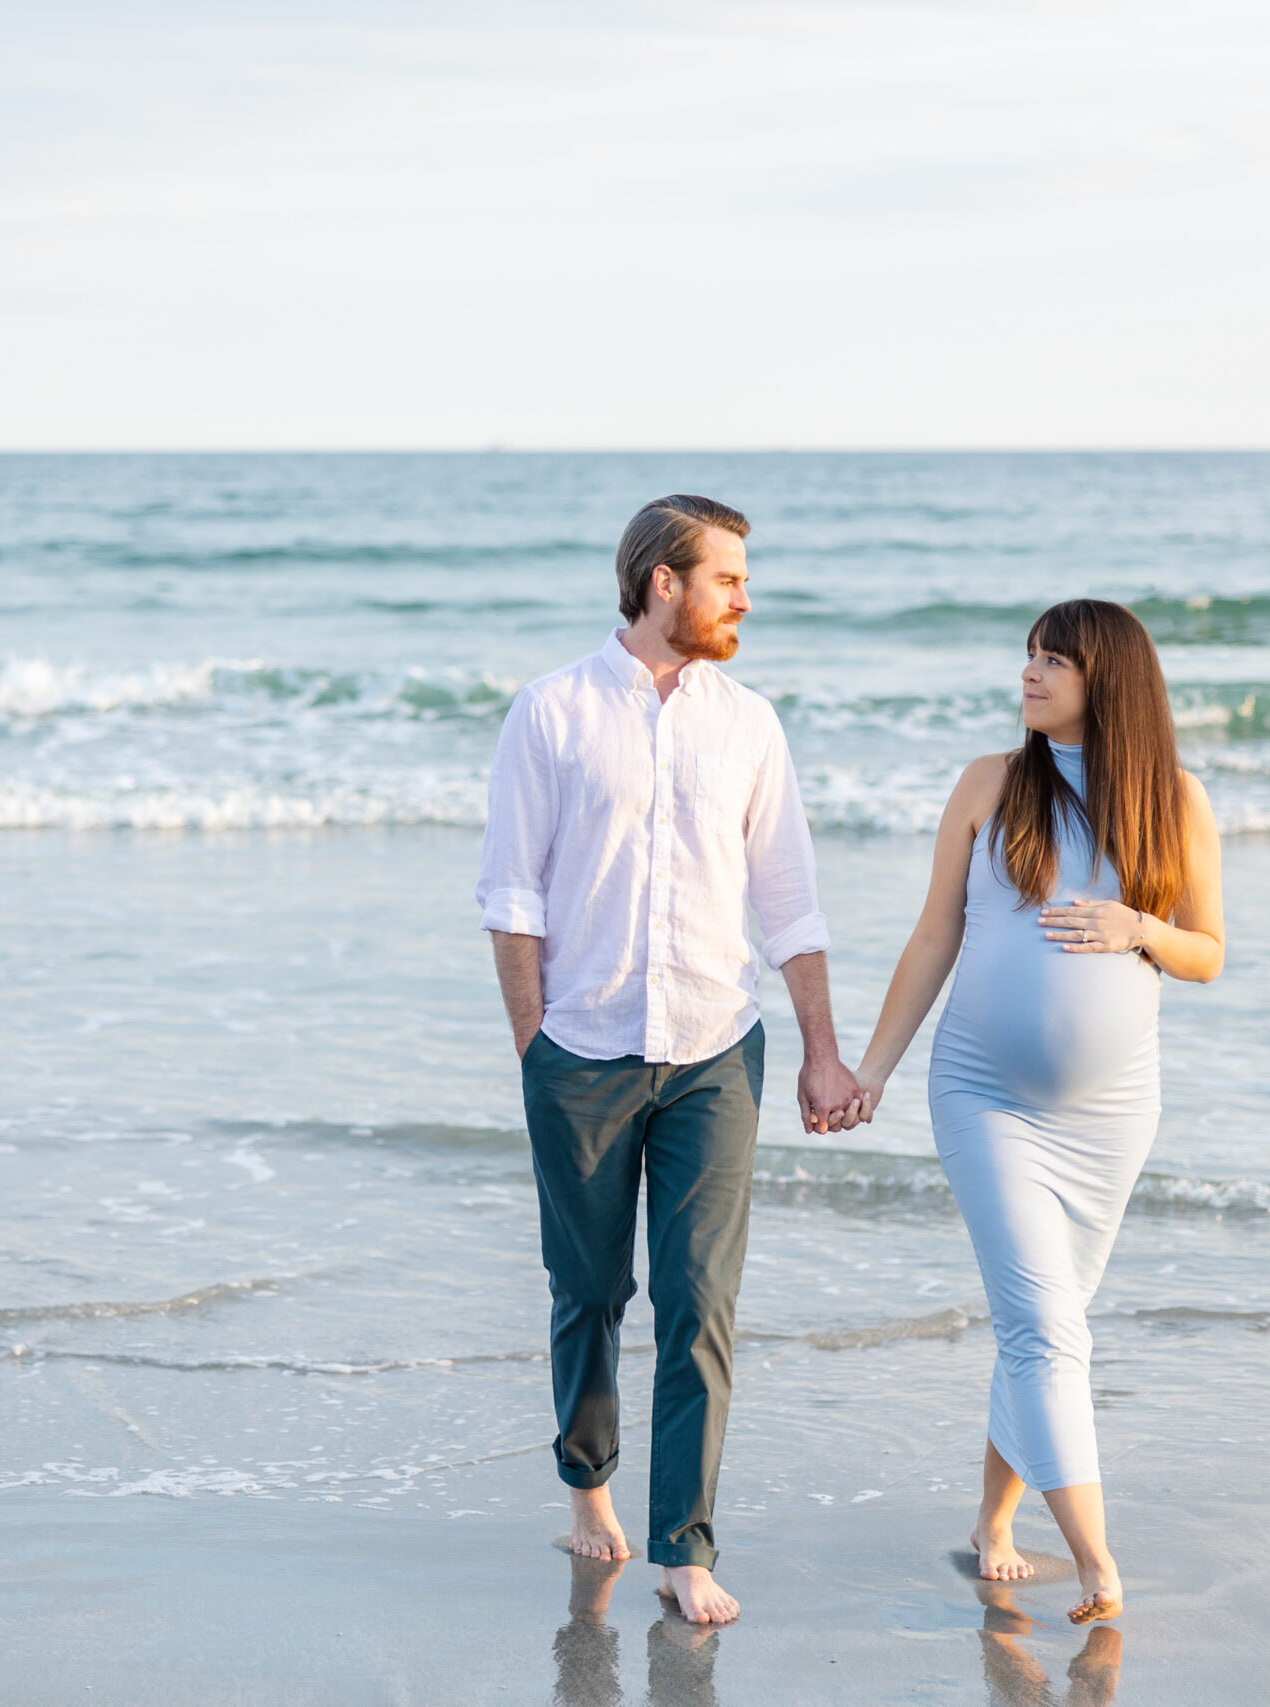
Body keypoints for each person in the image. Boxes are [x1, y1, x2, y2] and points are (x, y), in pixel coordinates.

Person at [478, 494, 863, 1626]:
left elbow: (788, 899)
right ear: (662, 582)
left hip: (712, 1051)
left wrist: (821, 1053)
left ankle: (683, 1546)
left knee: (701, 1303)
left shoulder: (749, 722)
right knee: (590, 1290)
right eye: (728, 577)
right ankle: (587, 1480)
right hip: (580, 1051)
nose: (746, 596)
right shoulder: (550, 713)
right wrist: (535, 1049)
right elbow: (510, 898)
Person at [843, 599, 1224, 1625]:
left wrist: (1136, 925)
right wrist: (871, 1069)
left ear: (1110, 679)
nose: (1029, 673)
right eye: (1028, 656)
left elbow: (1207, 954)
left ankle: (992, 1523)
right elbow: (933, 938)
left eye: (1053, 660)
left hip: (1113, 1116)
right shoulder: (989, 784)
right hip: (984, 1097)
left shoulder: (1175, 801)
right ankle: (1099, 1564)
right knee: (1048, 1331)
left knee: (1040, 1327)